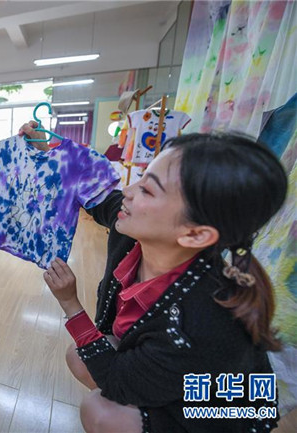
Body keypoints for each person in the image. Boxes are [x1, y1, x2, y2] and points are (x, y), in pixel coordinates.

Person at [20, 123, 287, 432]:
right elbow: (94, 194)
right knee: (80, 355)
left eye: (147, 189)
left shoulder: (204, 321)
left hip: (213, 420)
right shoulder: (137, 236)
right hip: (171, 378)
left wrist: (71, 305)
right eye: (142, 179)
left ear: (195, 234)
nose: (128, 191)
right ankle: (144, 396)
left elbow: (116, 380)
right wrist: (45, 150)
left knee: (100, 410)